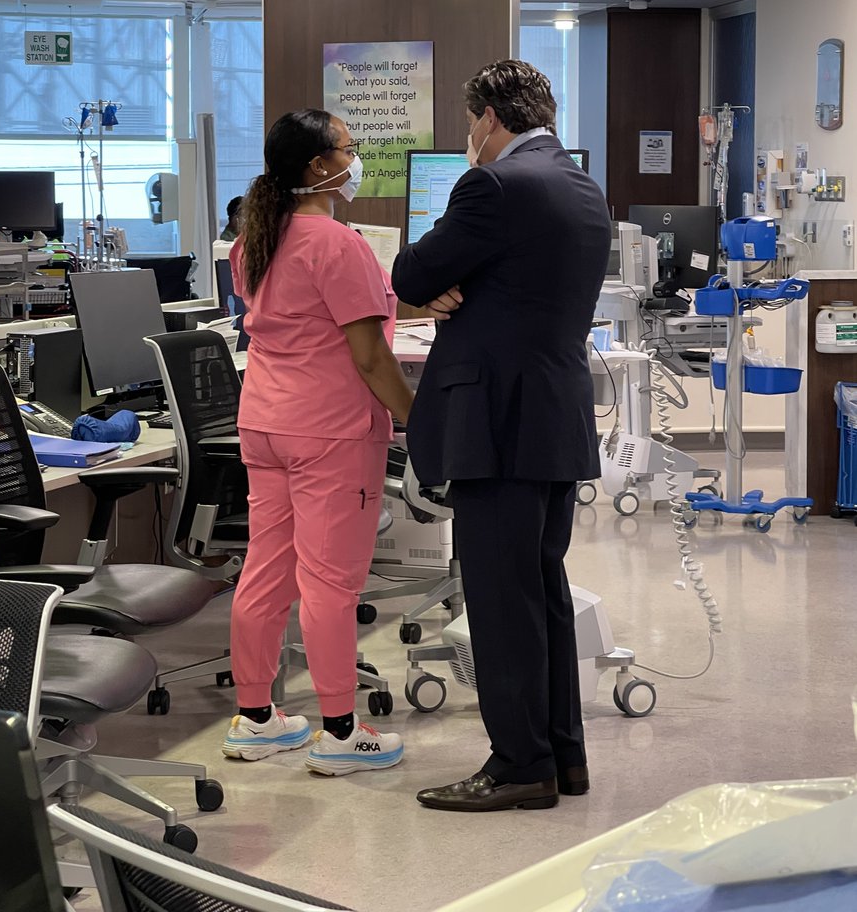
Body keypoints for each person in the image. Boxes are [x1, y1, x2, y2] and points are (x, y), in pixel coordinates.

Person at [392, 60, 612, 813]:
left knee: (498, 599)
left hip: (498, 426)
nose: (470, 140)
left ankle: (519, 767)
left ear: (488, 117)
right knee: (540, 591)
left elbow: (413, 273)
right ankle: (560, 756)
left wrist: (441, 285)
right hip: (553, 418)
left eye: (472, 126)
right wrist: (462, 289)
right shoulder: (583, 187)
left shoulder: (492, 184)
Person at [222, 109, 413, 776]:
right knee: (330, 580)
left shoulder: (253, 240)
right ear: (316, 167)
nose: (354, 160)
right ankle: (339, 730)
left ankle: (256, 717)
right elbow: (370, 357)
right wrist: (416, 417)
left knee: (267, 567)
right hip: (330, 430)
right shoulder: (337, 244)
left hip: (265, 422)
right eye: (348, 149)